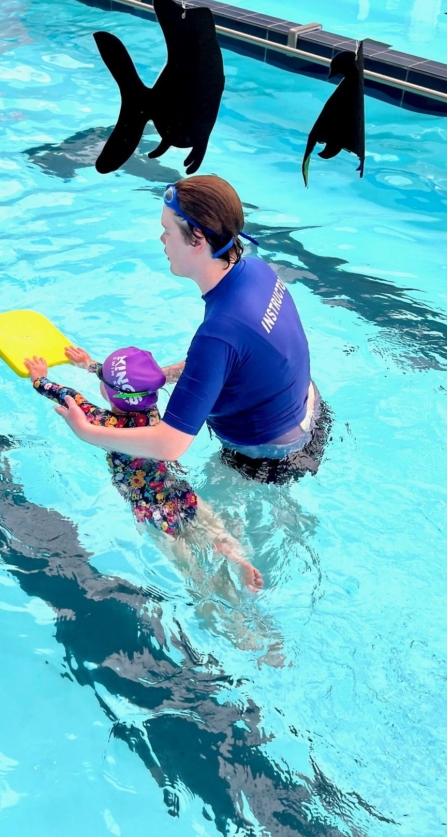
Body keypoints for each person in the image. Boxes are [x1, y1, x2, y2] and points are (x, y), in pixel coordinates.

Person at [54, 175, 331, 486]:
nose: (162, 239)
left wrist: (86, 431)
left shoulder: (218, 333)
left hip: (269, 458)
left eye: (168, 230)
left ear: (197, 239)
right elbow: (239, 356)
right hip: (312, 412)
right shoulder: (257, 270)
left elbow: (170, 445)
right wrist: (164, 375)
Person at [24, 346, 264, 591]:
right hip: (179, 493)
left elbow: (68, 396)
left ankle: (213, 595)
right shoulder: (151, 412)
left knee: (193, 574)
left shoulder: (106, 424)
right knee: (215, 531)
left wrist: (39, 379)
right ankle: (235, 557)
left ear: (111, 393)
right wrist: (90, 364)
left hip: (151, 511)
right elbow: (129, 384)